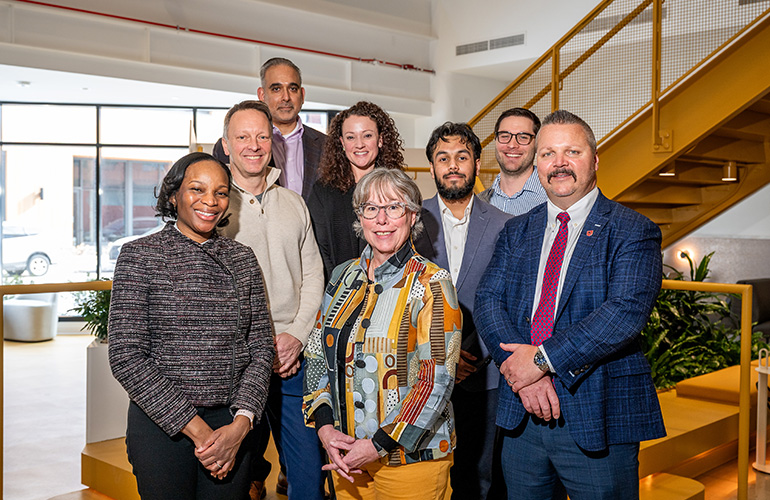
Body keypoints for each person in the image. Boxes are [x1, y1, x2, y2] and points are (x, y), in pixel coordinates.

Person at [475, 110, 665, 500]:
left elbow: (624, 313)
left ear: (594, 160)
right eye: (547, 154)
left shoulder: (633, 230)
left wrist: (540, 362)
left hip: (597, 413)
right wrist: (522, 374)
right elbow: (488, 301)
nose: (558, 163)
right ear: (537, 164)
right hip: (523, 417)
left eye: (571, 151)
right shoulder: (516, 230)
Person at [108, 152, 275, 500]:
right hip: (162, 428)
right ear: (173, 195)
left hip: (232, 424)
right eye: (197, 189)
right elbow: (126, 355)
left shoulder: (242, 258)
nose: (210, 202)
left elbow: (261, 347)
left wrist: (240, 425)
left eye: (221, 192)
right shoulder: (140, 256)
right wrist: (200, 433)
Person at [303, 168, 462, 500]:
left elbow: (436, 380)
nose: (382, 219)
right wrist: (326, 429)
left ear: (413, 215)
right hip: (347, 456)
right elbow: (317, 355)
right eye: (371, 209)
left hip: (410, 459)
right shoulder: (342, 276)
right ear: (359, 218)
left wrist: (378, 445)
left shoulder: (432, 284)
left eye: (394, 207)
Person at [219, 100, 327, 500]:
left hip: (292, 359)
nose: (254, 144)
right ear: (226, 145)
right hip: (236, 361)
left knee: (307, 479)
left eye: (262, 136)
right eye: (243, 136)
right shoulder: (212, 206)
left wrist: (297, 335)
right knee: (235, 479)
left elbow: (314, 274)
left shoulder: (293, 203)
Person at [414, 122, 511, 500]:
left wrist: (475, 356)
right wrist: (442, 356)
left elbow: (508, 301)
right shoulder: (407, 221)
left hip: (484, 375)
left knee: (482, 476)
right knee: (428, 476)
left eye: (461, 156)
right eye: (443, 158)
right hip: (420, 374)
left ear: (476, 163)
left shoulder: (506, 226)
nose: (453, 165)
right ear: (432, 167)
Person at [307, 100, 405, 280]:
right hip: (338, 291)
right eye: (351, 137)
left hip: (391, 289)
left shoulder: (399, 188)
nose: (359, 144)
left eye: (367, 135)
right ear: (342, 143)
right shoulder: (323, 192)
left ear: (380, 139)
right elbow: (319, 250)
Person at [257, 57, 327, 201]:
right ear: (262, 95)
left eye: (292, 89)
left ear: (302, 95)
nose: (286, 97)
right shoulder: (242, 146)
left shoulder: (327, 145)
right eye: (276, 89)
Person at [478, 107, 547, 215]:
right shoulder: (479, 203)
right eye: (505, 136)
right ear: (495, 140)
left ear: (537, 144)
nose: (512, 145)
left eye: (523, 137)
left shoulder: (553, 200)